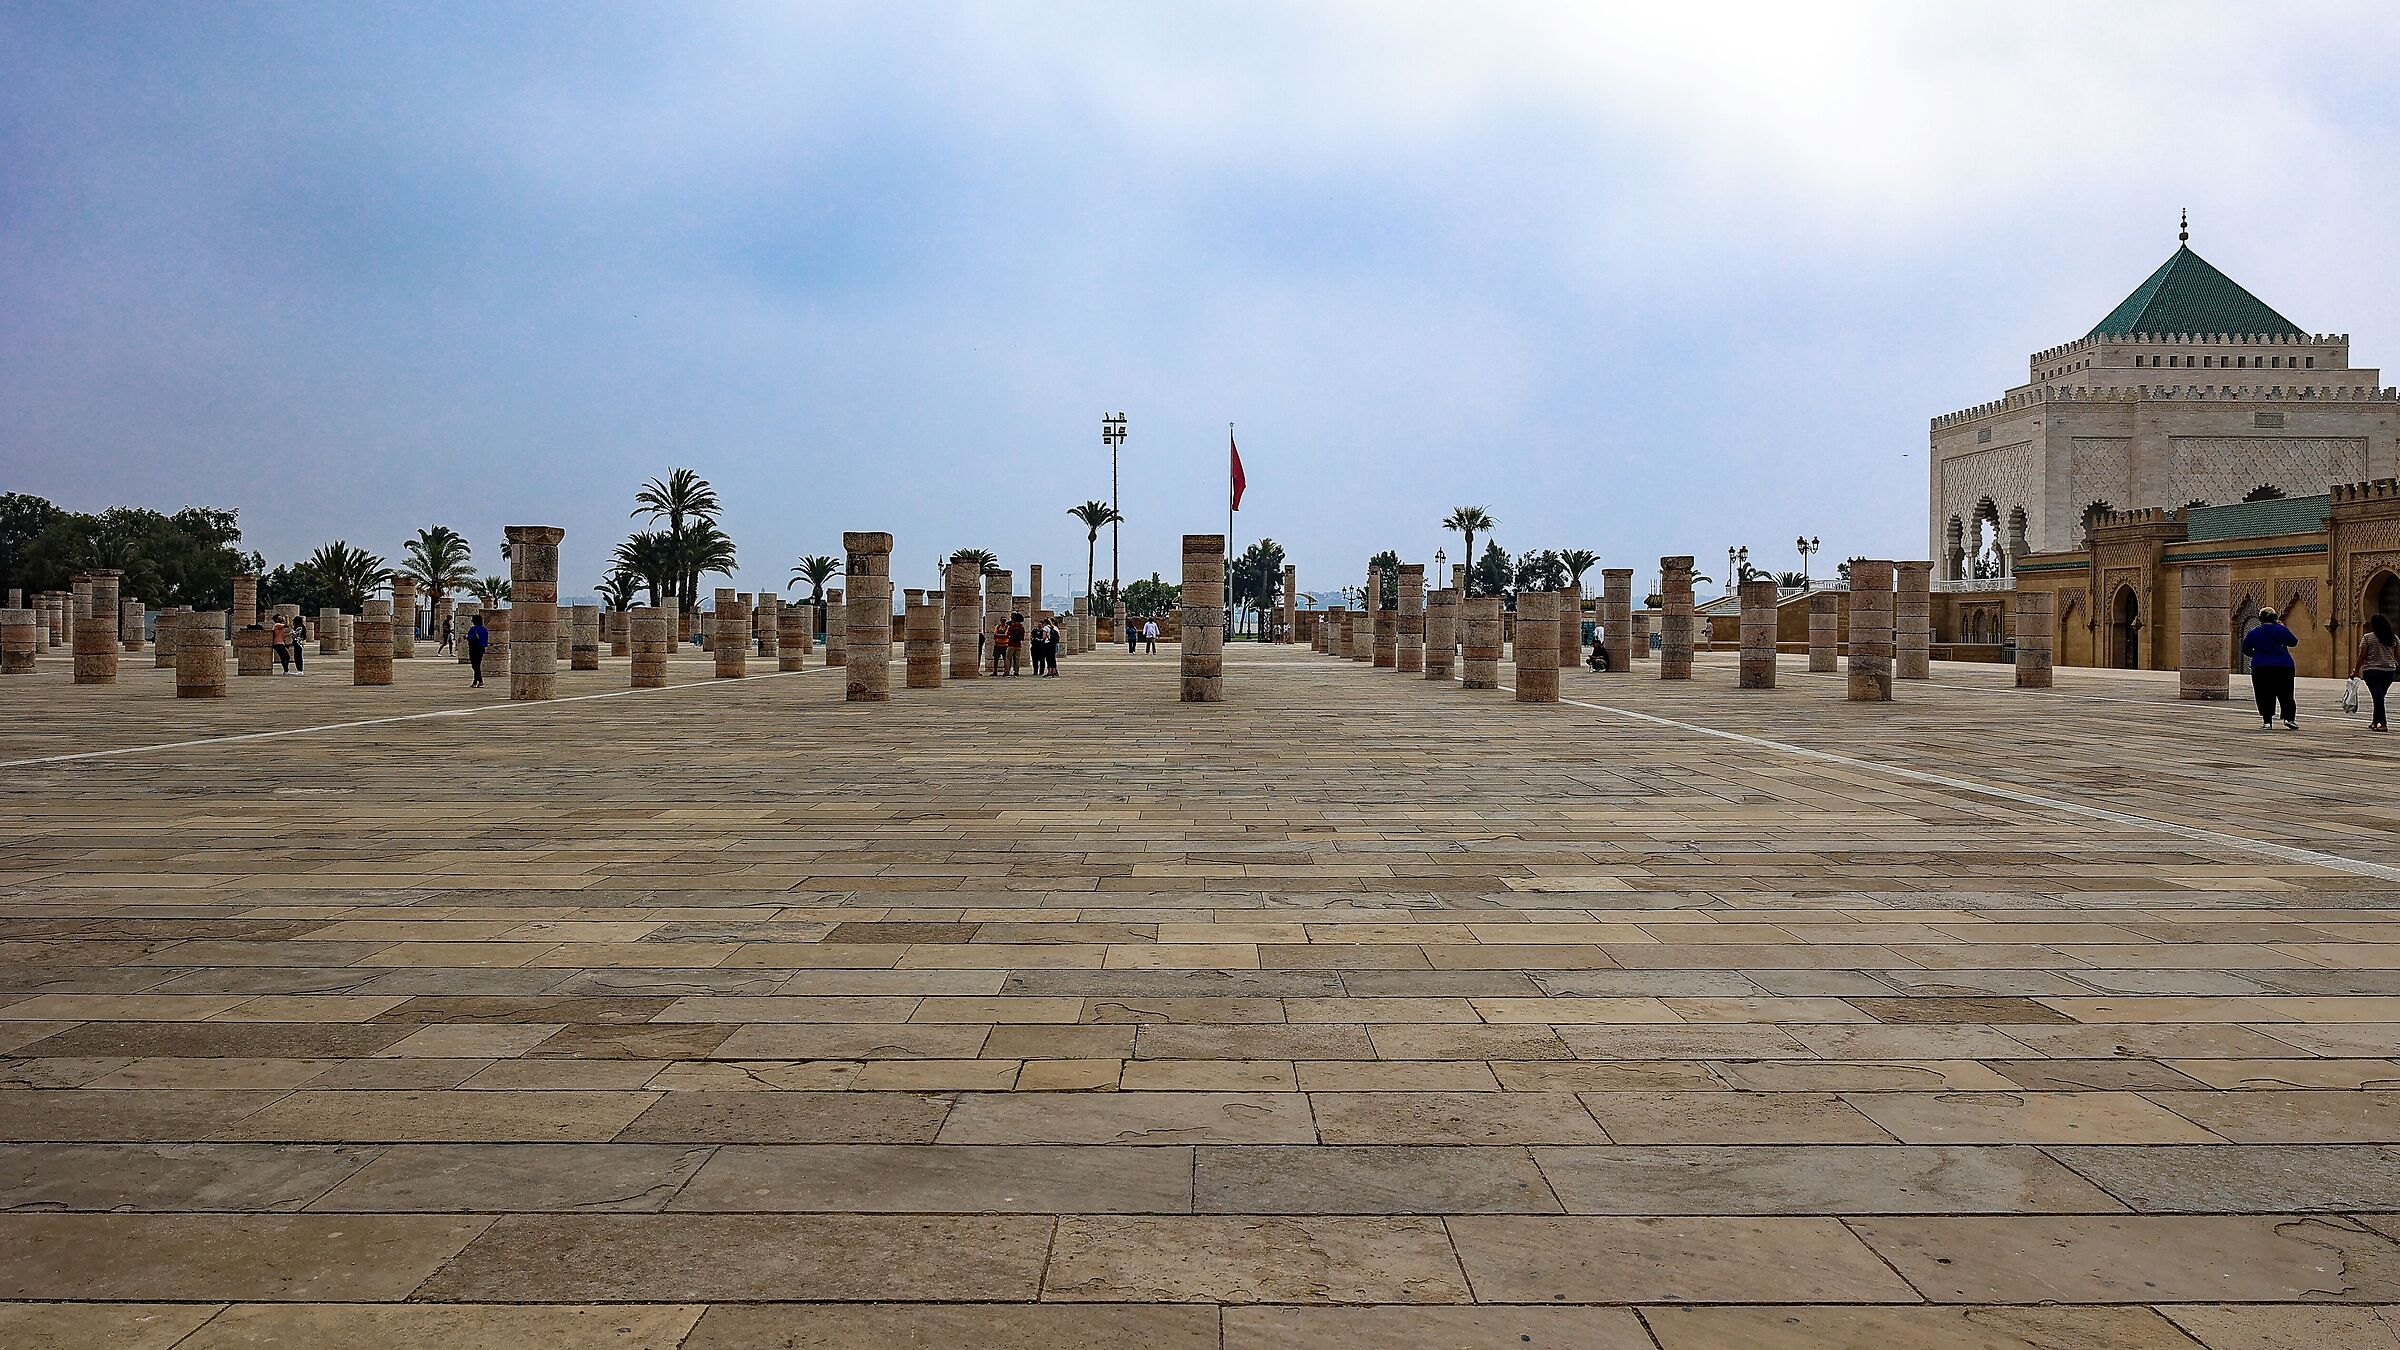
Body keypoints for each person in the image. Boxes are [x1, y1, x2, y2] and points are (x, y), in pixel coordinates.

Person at [2240, 607, 2300, 730]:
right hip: (2284, 666)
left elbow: (2245, 649)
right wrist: (2282, 627)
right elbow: (2293, 642)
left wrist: (2257, 655)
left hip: (2261, 666)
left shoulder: (2254, 632)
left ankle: (2267, 721)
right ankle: (2289, 719)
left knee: (2264, 693)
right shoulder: (2282, 630)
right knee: (2286, 693)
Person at [2353, 612, 2398, 733]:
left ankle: (2383, 724)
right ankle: (2374, 722)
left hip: (2372, 672)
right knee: (2379, 697)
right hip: (2388, 672)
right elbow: (2398, 656)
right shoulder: (2393, 638)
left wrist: (2355, 671)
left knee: (2378, 697)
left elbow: (2362, 656)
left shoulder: (2368, 638)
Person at [466, 614, 490, 687]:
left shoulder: (473, 629)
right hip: (481, 648)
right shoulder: (484, 629)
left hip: (474, 648)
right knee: (477, 665)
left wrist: (465, 637)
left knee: (475, 665)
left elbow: (470, 638)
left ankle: (480, 680)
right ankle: (475, 681)